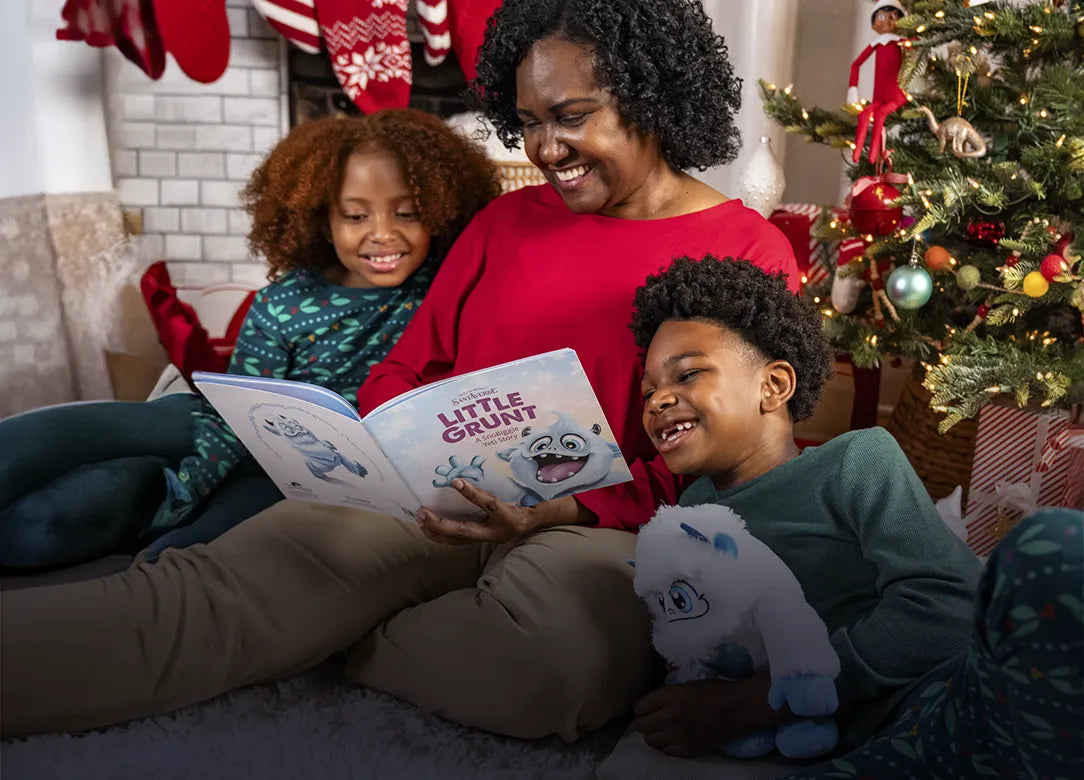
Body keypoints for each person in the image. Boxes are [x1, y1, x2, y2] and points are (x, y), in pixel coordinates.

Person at [0, 0, 799, 741]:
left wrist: (566, 514)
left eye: (571, 117)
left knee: (559, 672)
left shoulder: (745, 248)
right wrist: (388, 439)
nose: (545, 149)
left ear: (651, 98)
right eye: (527, 122)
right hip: (430, 492)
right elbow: (407, 365)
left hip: (602, 525)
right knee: (206, 593)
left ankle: (337, 636)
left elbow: (736, 456)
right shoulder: (504, 222)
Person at [628, 255, 1083, 777]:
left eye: (686, 374)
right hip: (875, 748)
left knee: (1056, 543)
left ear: (773, 386)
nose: (659, 399)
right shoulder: (687, 518)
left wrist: (764, 699)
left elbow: (949, 607)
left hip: (951, 698)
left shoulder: (856, 461)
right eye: (648, 392)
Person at [0, 109, 501, 568]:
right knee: (71, 437)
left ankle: (141, 519)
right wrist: (188, 488)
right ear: (321, 219)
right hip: (227, 431)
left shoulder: (449, 284)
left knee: (148, 552)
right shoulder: (281, 303)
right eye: (355, 215)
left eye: (408, 212)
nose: (383, 233)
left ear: (439, 209)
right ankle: (156, 492)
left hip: (306, 474)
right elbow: (237, 415)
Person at [847, 2, 908, 165]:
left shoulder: (901, 42)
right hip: (878, 96)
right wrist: (853, 89)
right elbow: (856, 64)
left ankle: (873, 156)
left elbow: (915, 54)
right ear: (874, 23)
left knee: (881, 115)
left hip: (897, 96)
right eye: (881, 17)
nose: (887, 22)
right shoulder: (876, 45)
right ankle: (857, 153)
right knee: (864, 113)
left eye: (892, 17)